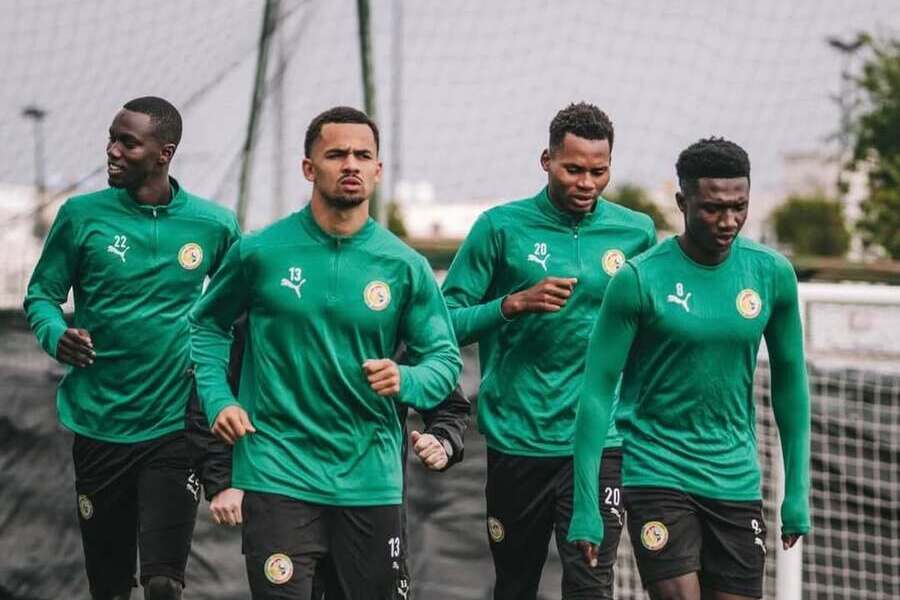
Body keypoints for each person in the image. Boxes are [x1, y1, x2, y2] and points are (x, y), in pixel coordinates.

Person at [189, 106, 462, 599]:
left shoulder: (405, 266)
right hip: (277, 473)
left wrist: (407, 380)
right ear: (309, 168)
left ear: (378, 170)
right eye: (336, 154)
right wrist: (218, 400)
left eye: (363, 155)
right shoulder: (259, 252)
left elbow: (445, 363)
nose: (351, 164)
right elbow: (207, 326)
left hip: (370, 481)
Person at [568, 138, 811, 600]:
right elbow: (597, 392)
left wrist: (797, 489)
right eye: (714, 208)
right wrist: (586, 502)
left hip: (734, 477)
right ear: (683, 202)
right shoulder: (637, 280)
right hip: (658, 471)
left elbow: (791, 383)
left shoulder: (771, 274)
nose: (729, 221)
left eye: (739, 207)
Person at [23, 96, 241, 600]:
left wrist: (221, 381)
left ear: (163, 153)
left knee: (164, 583)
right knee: (110, 586)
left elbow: (239, 309)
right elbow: (42, 296)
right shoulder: (80, 216)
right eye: (111, 138)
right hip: (99, 422)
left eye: (127, 142)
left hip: (173, 427)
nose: (112, 151)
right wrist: (58, 335)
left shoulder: (213, 225)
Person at [441, 102, 656, 600]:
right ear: (546, 160)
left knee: (591, 584)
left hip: (602, 443)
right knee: (515, 585)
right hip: (519, 437)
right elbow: (444, 323)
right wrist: (513, 304)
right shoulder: (499, 227)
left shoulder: (636, 232)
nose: (586, 182)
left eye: (598, 172)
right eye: (573, 169)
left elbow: (651, 329)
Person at [185, 323, 471, 600]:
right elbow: (210, 384)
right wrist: (222, 479)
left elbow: (445, 396)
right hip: (282, 493)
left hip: (370, 497)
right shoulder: (265, 292)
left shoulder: (391, 298)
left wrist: (442, 439)